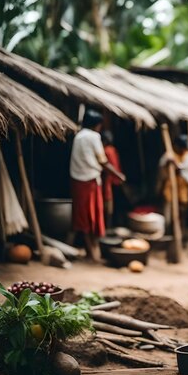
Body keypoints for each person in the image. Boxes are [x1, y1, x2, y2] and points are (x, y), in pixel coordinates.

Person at [70, 110, 125, 262]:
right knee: (92, 217)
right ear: (96, 125)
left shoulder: (78, 136)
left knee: (83, 217)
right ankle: (94, 254)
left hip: (77, 180)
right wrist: (118, 174)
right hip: (90, 180)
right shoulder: (94, 136)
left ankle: (91, 252)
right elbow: (102, 160)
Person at [158, 134, 188, 232]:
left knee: (182, 209)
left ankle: (181, 230)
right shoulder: (169, 154)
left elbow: (183, 168)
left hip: (182, 187)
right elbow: (161, 166)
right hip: (170, 186)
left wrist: (175, 164)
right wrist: (168, 162)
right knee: (168, 210)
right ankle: (168, 230)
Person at [101, 130, 124, 229]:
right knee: (112, 204)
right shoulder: (113, 150)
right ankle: (109, 226)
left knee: (108, 203)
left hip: (108, 180)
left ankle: (107, 227)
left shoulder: (106, 151)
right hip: (116, 181)